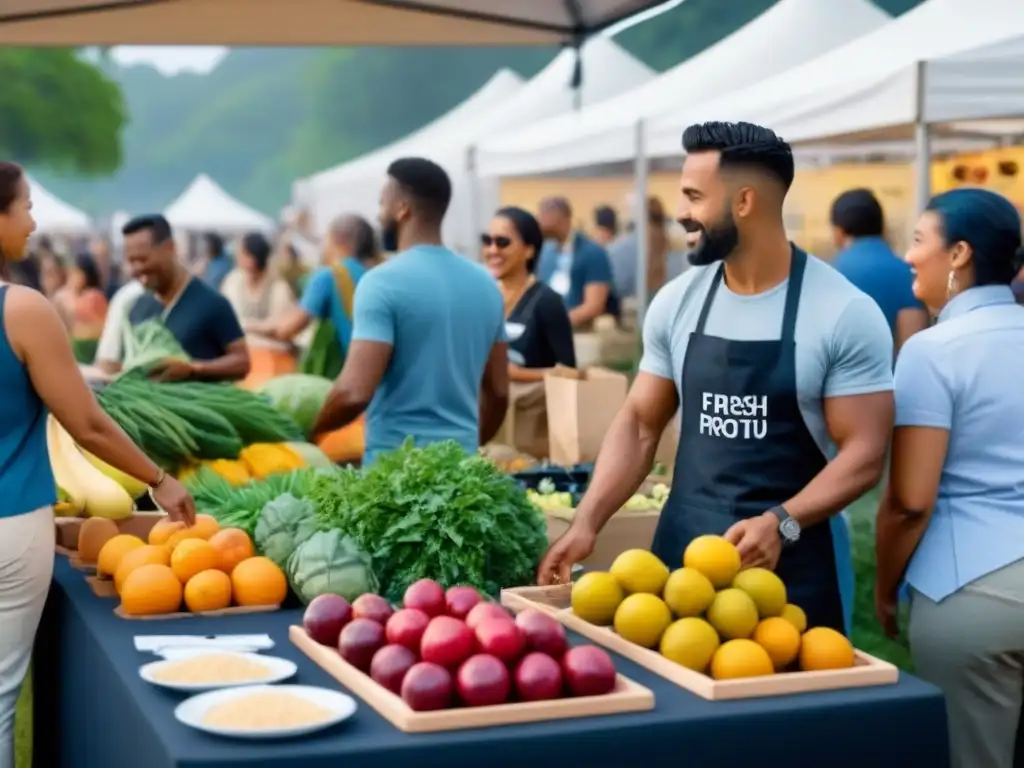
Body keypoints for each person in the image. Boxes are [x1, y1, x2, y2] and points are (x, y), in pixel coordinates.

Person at [537, 122, 894, 637]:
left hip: (788, 572)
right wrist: (588, 519)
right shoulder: (678, 301)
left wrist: (782, 522)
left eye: (694, 196)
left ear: (744, 201)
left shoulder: (841, 312)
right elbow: (640, 423)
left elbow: (864, 454)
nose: (680, 212)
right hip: (680, 568)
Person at [0, 161, 194, 767]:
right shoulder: (23, 310)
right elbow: (86, 424)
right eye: (25, 206)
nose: (33, 221)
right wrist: (159, 480)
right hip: (9, 527)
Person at [874, 188, 1024, 768]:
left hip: (972, 595)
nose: (908, 257)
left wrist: (886, 587)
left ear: (958, 253)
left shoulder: (931, 351)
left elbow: (910, 501)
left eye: (917, 241)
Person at [312, 157, 508, 466]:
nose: (379, 215)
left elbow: (354, 392)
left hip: (393, 475)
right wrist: (468, 444)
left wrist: (312, 429)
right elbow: (498, 392)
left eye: (382, 204)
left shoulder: (380, 283)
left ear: (402, 208)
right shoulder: (487, 286)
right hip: (462, 471)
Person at [100, 214, 250, 382]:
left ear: (170, 248)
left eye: (143, 259)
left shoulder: (212, 303)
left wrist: (194, 368)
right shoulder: (136, 307)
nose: (137, 268)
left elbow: (242, 362)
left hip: (196, 404)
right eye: (131, 261)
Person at [251, 214, 379, 379]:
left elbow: (286, 330)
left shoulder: (330, 275)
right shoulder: (378, 272)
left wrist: (249, 326)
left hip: (353, 377)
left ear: (337, 239)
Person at [831, 189, 929, 354]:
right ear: (883, 228)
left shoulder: (825, 274)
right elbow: (912, 344)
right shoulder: (907, 273)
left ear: (838, 232)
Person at [484, 206, 575, 379]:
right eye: (487, 241)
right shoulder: (484, 297)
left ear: (529, 250)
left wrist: (520, 375)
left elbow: (569, 372)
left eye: (503, 242)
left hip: (533, 405)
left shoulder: (547, 301)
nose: (493, 250)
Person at [220, 232, 298, 388]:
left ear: (252, 259)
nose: (237, 258)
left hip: (274, 357)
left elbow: (282, 329)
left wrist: (246, 325)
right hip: (241, 355)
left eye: (241, 253)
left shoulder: (279, 288)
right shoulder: (233, 282)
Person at [536, 196, 616, 329]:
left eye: (546, 215)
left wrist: (555, 324)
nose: (540, 222)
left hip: (577, 331)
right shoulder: (546, 253)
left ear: (563, 218)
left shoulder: (593, 253)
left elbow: (594, 306)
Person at [54, 253, 109, 363]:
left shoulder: (93, 296)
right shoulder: (68, 296)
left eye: (75, 273)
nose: (72, 278)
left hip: (89, 350)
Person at [89, 234, 123, 300]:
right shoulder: (89, 275)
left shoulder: (117, 274)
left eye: (103, 255)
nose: (100, 260)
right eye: (97, 256)